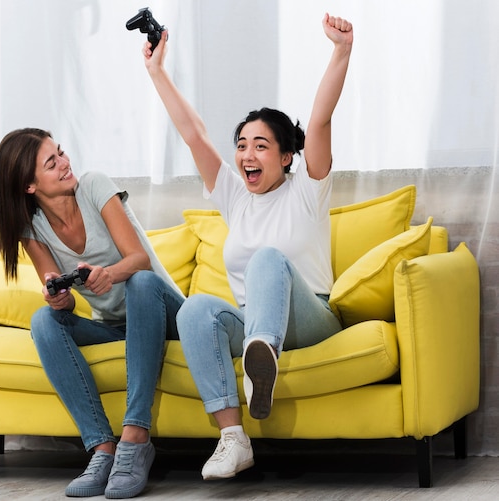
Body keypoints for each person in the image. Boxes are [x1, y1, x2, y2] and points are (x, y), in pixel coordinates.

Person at [143, 13, 352, 480]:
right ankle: (233, 439)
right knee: (195, 309)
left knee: (268, 259)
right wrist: (157, 71)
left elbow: (319, 119)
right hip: (251, 320)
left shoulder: (307, 190)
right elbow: (193, 134)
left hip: (308, 317)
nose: (247, 155)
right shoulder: (236, 196)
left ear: (285, 156)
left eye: (261, 145)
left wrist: (341, 51)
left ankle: (264, 349)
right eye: (241, 145)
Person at [0, 128, 184, 498]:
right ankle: (102, 448)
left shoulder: (95, 186)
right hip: (115, 327)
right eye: (52, 163)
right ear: (30, 186)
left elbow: (139, 260)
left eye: (61, 153)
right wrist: (60, 300)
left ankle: (136, 438)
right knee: (43, 320)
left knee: (140, 283)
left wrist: (108, 275)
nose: (65, 163)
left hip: (167, 316)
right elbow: (64, 299)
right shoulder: (32, 229)